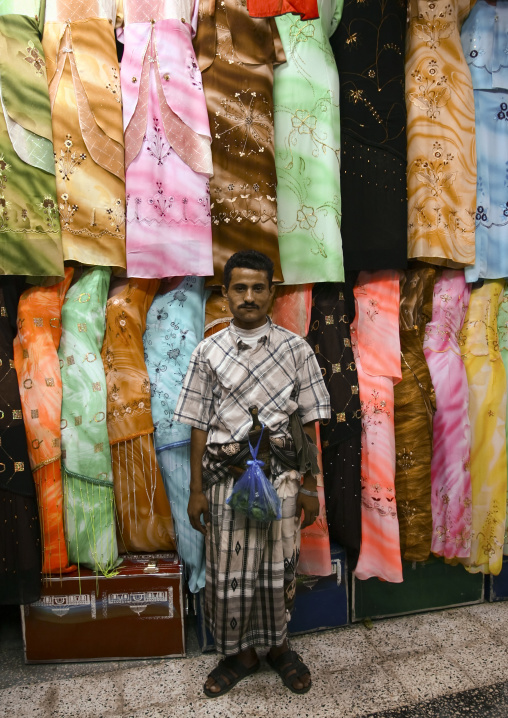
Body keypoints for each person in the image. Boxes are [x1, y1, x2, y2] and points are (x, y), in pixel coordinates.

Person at [174, 250, 330, 697]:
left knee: (279, 567)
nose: (249, 296)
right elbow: (199, 424)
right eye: (239, 288)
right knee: (229, 571)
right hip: (226, 482)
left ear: (271, 293)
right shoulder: (208, 351)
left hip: (281, 479)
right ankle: (239, 654)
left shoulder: (295, 349)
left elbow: (308, 422)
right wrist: (196, 491)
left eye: (258, 287)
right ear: (224, 295)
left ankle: (279, 648)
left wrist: (310, 486)